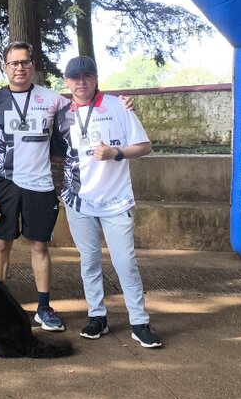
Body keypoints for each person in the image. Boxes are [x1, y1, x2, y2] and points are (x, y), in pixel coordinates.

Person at [54, 55, 162, 348]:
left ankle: (139, 322)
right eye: (75, 77)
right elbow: (57, 154)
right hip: (79, 201)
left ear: (95, 78)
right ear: (66, 81)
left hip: (116, 200)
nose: (81, 82)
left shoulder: (117, 106)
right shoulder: (62, 115)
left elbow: (145, 146)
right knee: (89, 261)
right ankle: (97, 317)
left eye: (87, 76)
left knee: (125, 262)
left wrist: (116, 154)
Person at [0, 41, 69, 332]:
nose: (20, 67)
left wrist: (121, 104)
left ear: (33, 66)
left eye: (25, 62)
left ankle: (43, 308)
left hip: (40, 184)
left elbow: (84, 108)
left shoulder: (53, 100)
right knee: (1, 243)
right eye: (14, 63)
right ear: (5, 68)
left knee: (39, 245)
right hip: (3, 182)